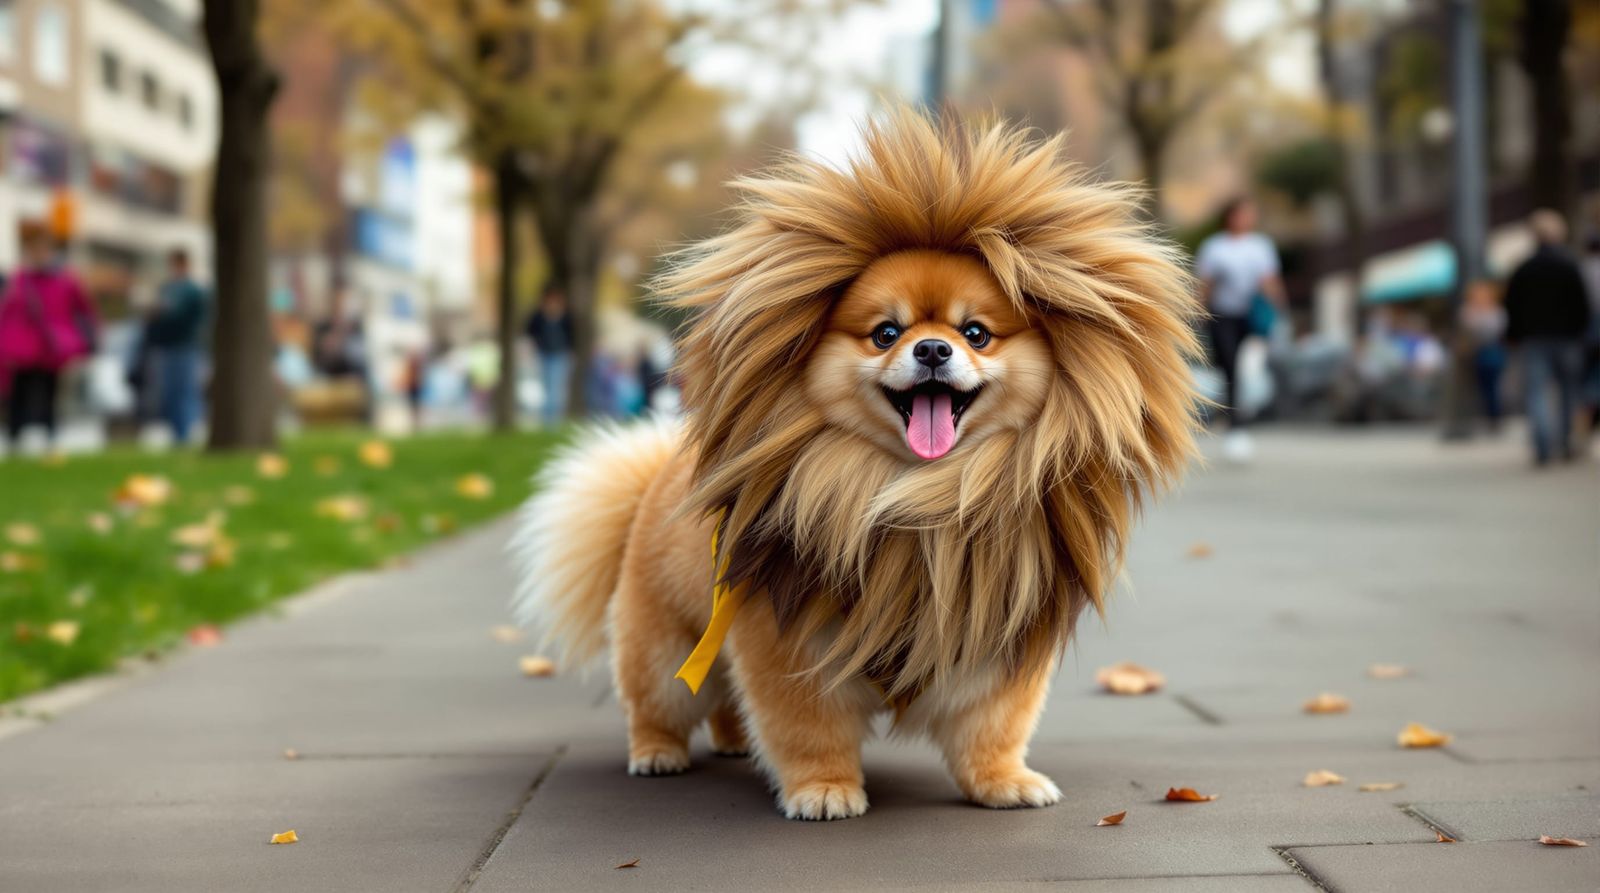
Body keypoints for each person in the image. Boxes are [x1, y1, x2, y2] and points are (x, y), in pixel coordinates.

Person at [1194, 197, 1286, 463]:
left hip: (1251, 316)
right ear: (1230, 216)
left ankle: (1238, 424)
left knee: (1245, 367)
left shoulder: (1260, 246)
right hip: (1223, 317)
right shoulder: (1214, 247)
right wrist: (1198, 311)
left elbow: (1270, 281)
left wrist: (1280, 310)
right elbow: (1205, 283)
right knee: (1228, 366)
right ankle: (1235, 422)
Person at [1503, 209, 1593, 466]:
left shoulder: (1524, 268)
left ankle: (1543, 445)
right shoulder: (1569, 265)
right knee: (1568, 391)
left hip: (1533, 338)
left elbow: (1512, 306)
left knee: (1536, 392)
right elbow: (1582, 304)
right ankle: (1563, 442)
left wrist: (1514, 334)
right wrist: (1580, 331)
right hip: (1567, 337)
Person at [0, 222, 97, 450]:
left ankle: (49, 435)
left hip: (52, 347)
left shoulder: (65, 280)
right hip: (23, 349)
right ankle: (16, 435)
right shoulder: (21, 279)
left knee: (49, 391)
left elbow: (84, 310)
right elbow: (8, 313)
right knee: (20, 392)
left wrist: (87, 338)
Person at [144, 248, 209, 444]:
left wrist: (162, 312)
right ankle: (177, 434)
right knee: (170, 392)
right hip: (167, 347)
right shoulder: (166, 289)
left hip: (185, 346)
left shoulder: (192, 291)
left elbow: (184, 316)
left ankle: (186, 433)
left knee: (185, 391)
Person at [1460, 281, 1507, 432]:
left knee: (1491, 389)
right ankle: (1484, 418)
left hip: (1491, 354)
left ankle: (1494, 418)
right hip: (1474, 356)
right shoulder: (1469, 311)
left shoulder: (1496, 311)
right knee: (1479, 389)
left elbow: (1493, 332)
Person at [525, 288, 575, 425]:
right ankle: (548, 418)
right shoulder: (539, 316)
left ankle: (553, 419)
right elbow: (530, 331)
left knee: (555, 386)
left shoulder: (565, 316)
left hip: (559, 354)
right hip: (544, 354)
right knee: (547, 386)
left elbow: (571, 335)